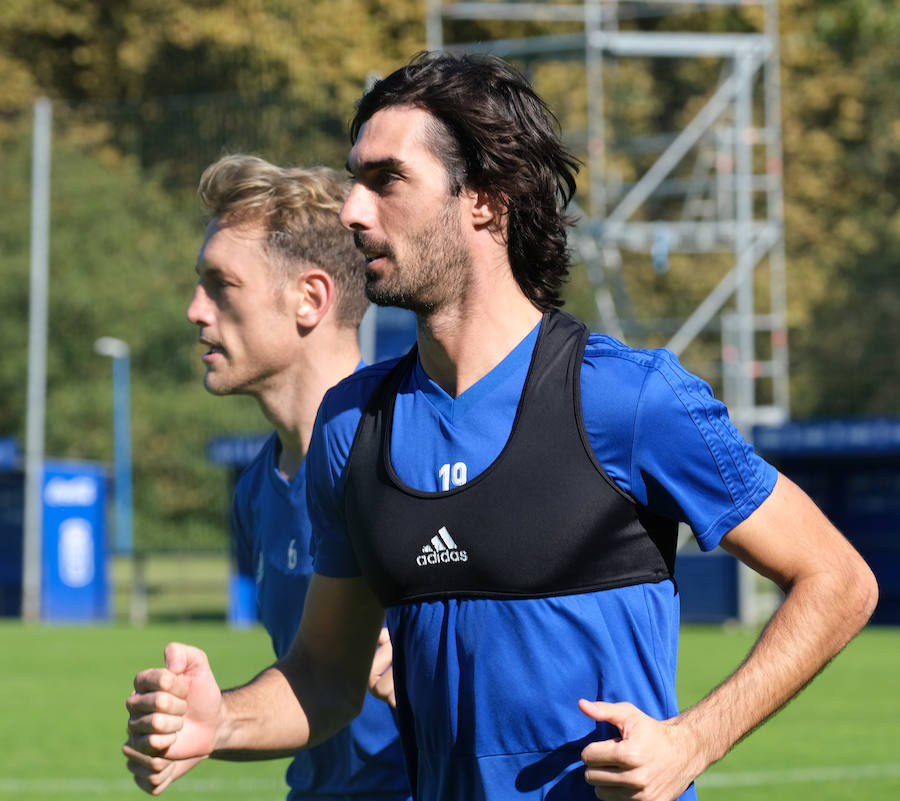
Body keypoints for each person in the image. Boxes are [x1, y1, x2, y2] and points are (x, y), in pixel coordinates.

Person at [125, 54, 878, 801]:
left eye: (386, 180)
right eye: (355, 179)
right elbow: (325, 673)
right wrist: (220, 718)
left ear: (484, 199)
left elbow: (837, 579)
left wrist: (694, 738)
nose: (353, 209)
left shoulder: (627, 398)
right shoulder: (351, 425)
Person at [122, 154, 410, 801]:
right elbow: (314, 690)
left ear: (310, 299)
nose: (196, 309)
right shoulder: (256, 489)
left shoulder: (413, 459)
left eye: (221, 285)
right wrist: (211, 721)